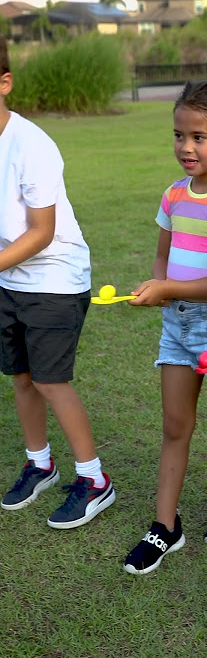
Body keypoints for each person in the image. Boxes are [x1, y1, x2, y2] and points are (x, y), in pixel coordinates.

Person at [123, 80, 207, 575]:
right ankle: (165, 527)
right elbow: (163, 259)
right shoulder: (174, 194)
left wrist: (170, 290)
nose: (186, 147)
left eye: (198, 137)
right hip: (176, 327)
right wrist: (155, 288)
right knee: (175, 426)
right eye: (178, 135)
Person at [0, 36, 115, 528]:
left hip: (53, 276)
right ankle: (40, 463)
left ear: (4, 83)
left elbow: (42, 233)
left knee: (49, 379)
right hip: (8, 275)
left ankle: (94, 480)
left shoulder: (32, 145)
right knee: (21, 376)